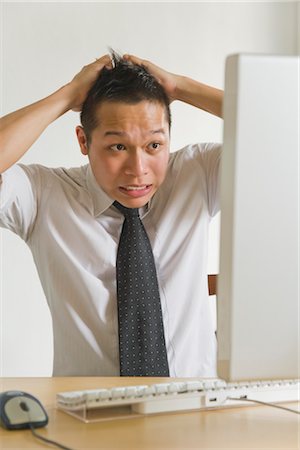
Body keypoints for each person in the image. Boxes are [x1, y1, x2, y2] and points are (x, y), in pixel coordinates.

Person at [0, 52, 223, 377]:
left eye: (154, 146)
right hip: (88, 417)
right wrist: (67, 96)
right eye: (118, 147)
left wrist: (181, 87)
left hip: (195, 411)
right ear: (84, 141)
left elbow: (285, 130)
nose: (138, 170)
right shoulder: (43, 195)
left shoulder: (197, 174)